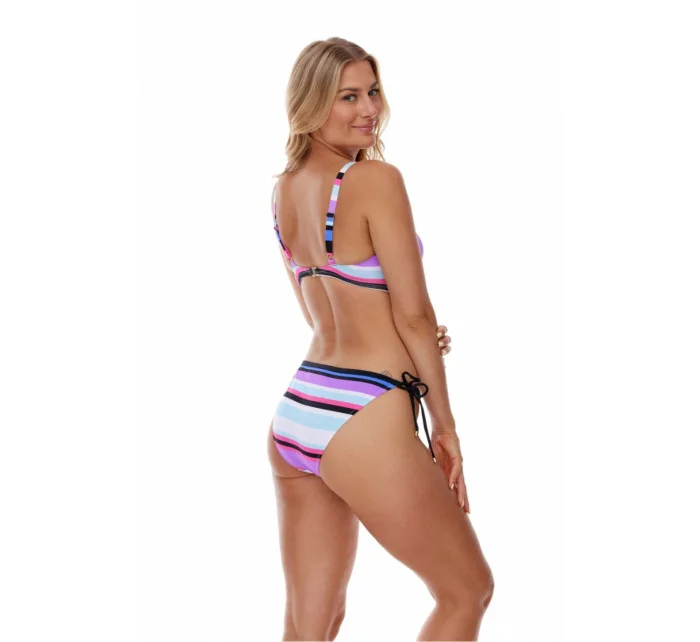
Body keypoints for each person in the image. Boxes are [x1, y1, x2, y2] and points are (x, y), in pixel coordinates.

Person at [266, 37, 494, 641]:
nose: (369, 108)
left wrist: (401, 332)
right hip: (363, 413)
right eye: (348, 96)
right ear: (311, 103)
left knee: (309, 627)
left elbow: (319, 315)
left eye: (372, 91)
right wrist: (445, 427)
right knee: (466, 591)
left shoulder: (284, 190)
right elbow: (414, 316)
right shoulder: (373, 180)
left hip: (301, 410)